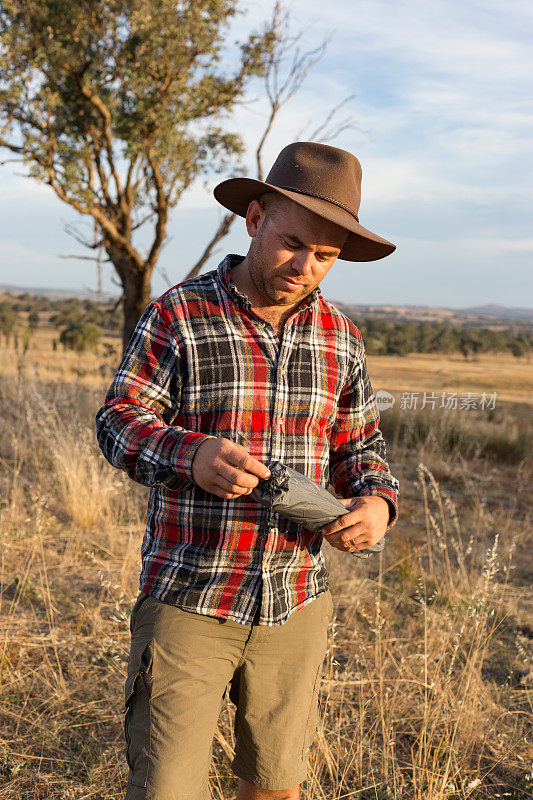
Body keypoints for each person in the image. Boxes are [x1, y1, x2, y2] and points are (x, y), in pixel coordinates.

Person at [95, 141, 400, 800]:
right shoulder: (179, 315)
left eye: (324, 255)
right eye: (293, 242)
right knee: (166, 789)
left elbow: (360, 448)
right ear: (255, 217)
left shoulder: (341, 339)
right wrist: (189, 454)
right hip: (190, 598)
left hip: (296, 602)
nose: (305, 266)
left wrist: (374, 502)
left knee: (274, 786)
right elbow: (118, 421)